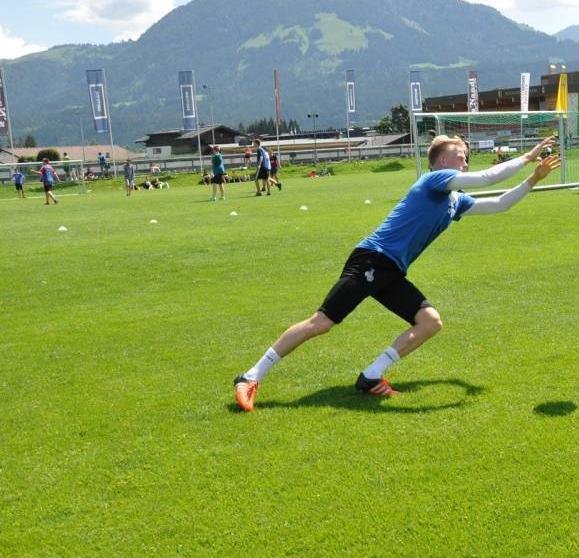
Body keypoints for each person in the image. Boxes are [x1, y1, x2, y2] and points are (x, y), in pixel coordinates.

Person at [232, 135, 561, 411]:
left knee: (430, 321)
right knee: (322, 323)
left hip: (392, 270)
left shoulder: (454, 200)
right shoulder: (433, 181)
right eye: (459, 156)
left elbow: (500, 203)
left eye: (466, 157)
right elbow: (489, 179)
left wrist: (533, 178)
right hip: (372, 260)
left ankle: (372, 376)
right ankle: (250, 376)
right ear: (440, 162)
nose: (465, 161)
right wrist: (527, 157)